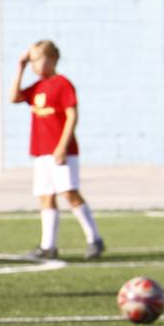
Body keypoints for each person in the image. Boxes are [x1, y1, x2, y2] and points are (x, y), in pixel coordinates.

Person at [9, 40, 104, 260]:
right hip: (41, 152)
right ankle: (48, 246)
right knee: (45, 197)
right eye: (31, 61)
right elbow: (14, 97)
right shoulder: (37, 86)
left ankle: (94, 239)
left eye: (37, 59)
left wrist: (62, 146)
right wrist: (20, 67)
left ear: (52, 59)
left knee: (69, 193)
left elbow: (72, 115)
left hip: (62, 151)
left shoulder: (62, 84)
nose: (34, 65)